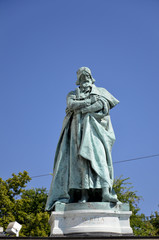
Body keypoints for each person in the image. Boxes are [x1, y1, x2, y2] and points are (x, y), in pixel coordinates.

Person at [45, 67, 119, 211]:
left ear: (91, 78)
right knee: (79, 163)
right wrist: (88, 103)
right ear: (78, 80)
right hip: (76, 132)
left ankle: (105, 192)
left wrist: (83, 108)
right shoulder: (72, 94)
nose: (85, 79)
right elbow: (71, 104)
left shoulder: (101, 91)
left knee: (99, 159)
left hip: (96, 133)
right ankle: (82, 195)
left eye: (87, 76)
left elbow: (102, 105)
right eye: (82, 76)